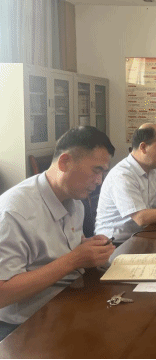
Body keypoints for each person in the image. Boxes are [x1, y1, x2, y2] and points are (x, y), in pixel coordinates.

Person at [0, 126, 116, 341]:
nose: (99, 181)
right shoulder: (14, 212)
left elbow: (61, 247)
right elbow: (2, 293)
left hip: (67, 301)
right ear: (65, 162)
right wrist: (74, 259)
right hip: (23, 325)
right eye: (96, 170)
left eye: (103, 172)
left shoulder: (75, 200)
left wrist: (88, 246)